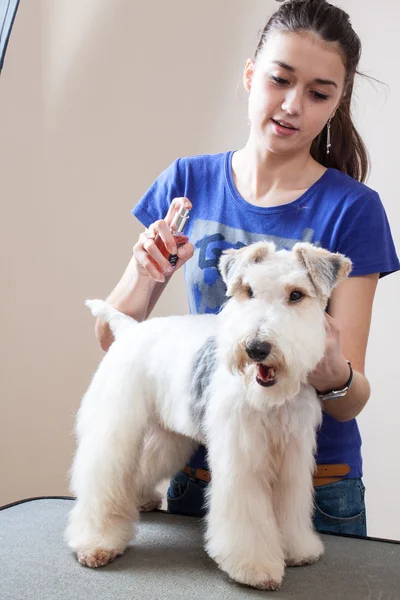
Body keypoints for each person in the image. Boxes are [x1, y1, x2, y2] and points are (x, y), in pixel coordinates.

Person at [95, 0, 399, 537]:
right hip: (203, 468)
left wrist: (329, 368)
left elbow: (351, 400)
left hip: (315, 483)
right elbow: (114, 338)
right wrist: (144, 272)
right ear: (250, 74)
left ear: (337, 102)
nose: (291, 105)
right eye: (280, 80)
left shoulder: (354, 210)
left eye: (318, 93)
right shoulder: (187, 183)